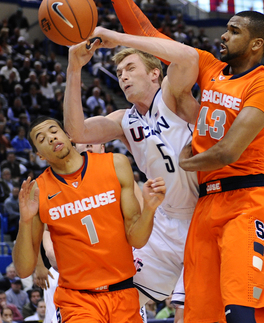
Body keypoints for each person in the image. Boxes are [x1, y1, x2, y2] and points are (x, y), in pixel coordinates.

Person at [80, 0, 264, 323]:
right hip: (206, 202)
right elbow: (148, 36)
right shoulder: (211, 69)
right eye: (225, 28)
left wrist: (183, 160)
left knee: (240, 306)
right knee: (198, 312)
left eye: (234, 31)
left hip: (244, 199)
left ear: (256, 44)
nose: (223, 35)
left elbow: (228, 151)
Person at [64, 21, 199, 322]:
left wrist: (117, 38)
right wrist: (73, 69)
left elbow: (189, 57)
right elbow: (77, 132)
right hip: (163, 225)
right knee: (117, 295)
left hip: (202, 218)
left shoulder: (172, 95)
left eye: (130, 68)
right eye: (120, 72)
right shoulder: (125, 120)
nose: (123, 76)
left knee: (193, 313)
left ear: (154, 73)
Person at [12, 116, 166, 323]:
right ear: (39, 155)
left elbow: (136, 239)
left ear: (67, 136)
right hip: (77, 300)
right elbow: (23, 270)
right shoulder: (38, 191)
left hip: (123, 292)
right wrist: (25, 220)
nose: (50, 138)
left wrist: (149, 208)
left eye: (53, 131)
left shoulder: (116, 164)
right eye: (41, 138)